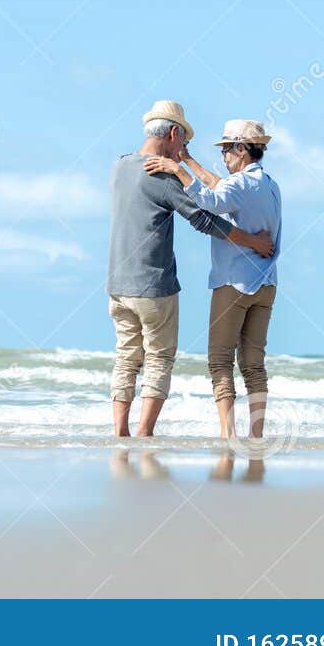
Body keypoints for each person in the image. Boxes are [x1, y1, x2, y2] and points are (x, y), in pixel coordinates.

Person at [108, 101, 274, 438]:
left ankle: (120, 434)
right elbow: (202, 216)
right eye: (182, 140)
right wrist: (252, 241)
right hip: (155, 285)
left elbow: (218, 191)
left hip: (117, 284)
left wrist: (184, 161)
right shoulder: (164, 176)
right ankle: (144, 433)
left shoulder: (120, 166)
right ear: (172, 134)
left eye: (227, 149)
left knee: (126, 359)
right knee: (159, 359)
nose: (183, 146)